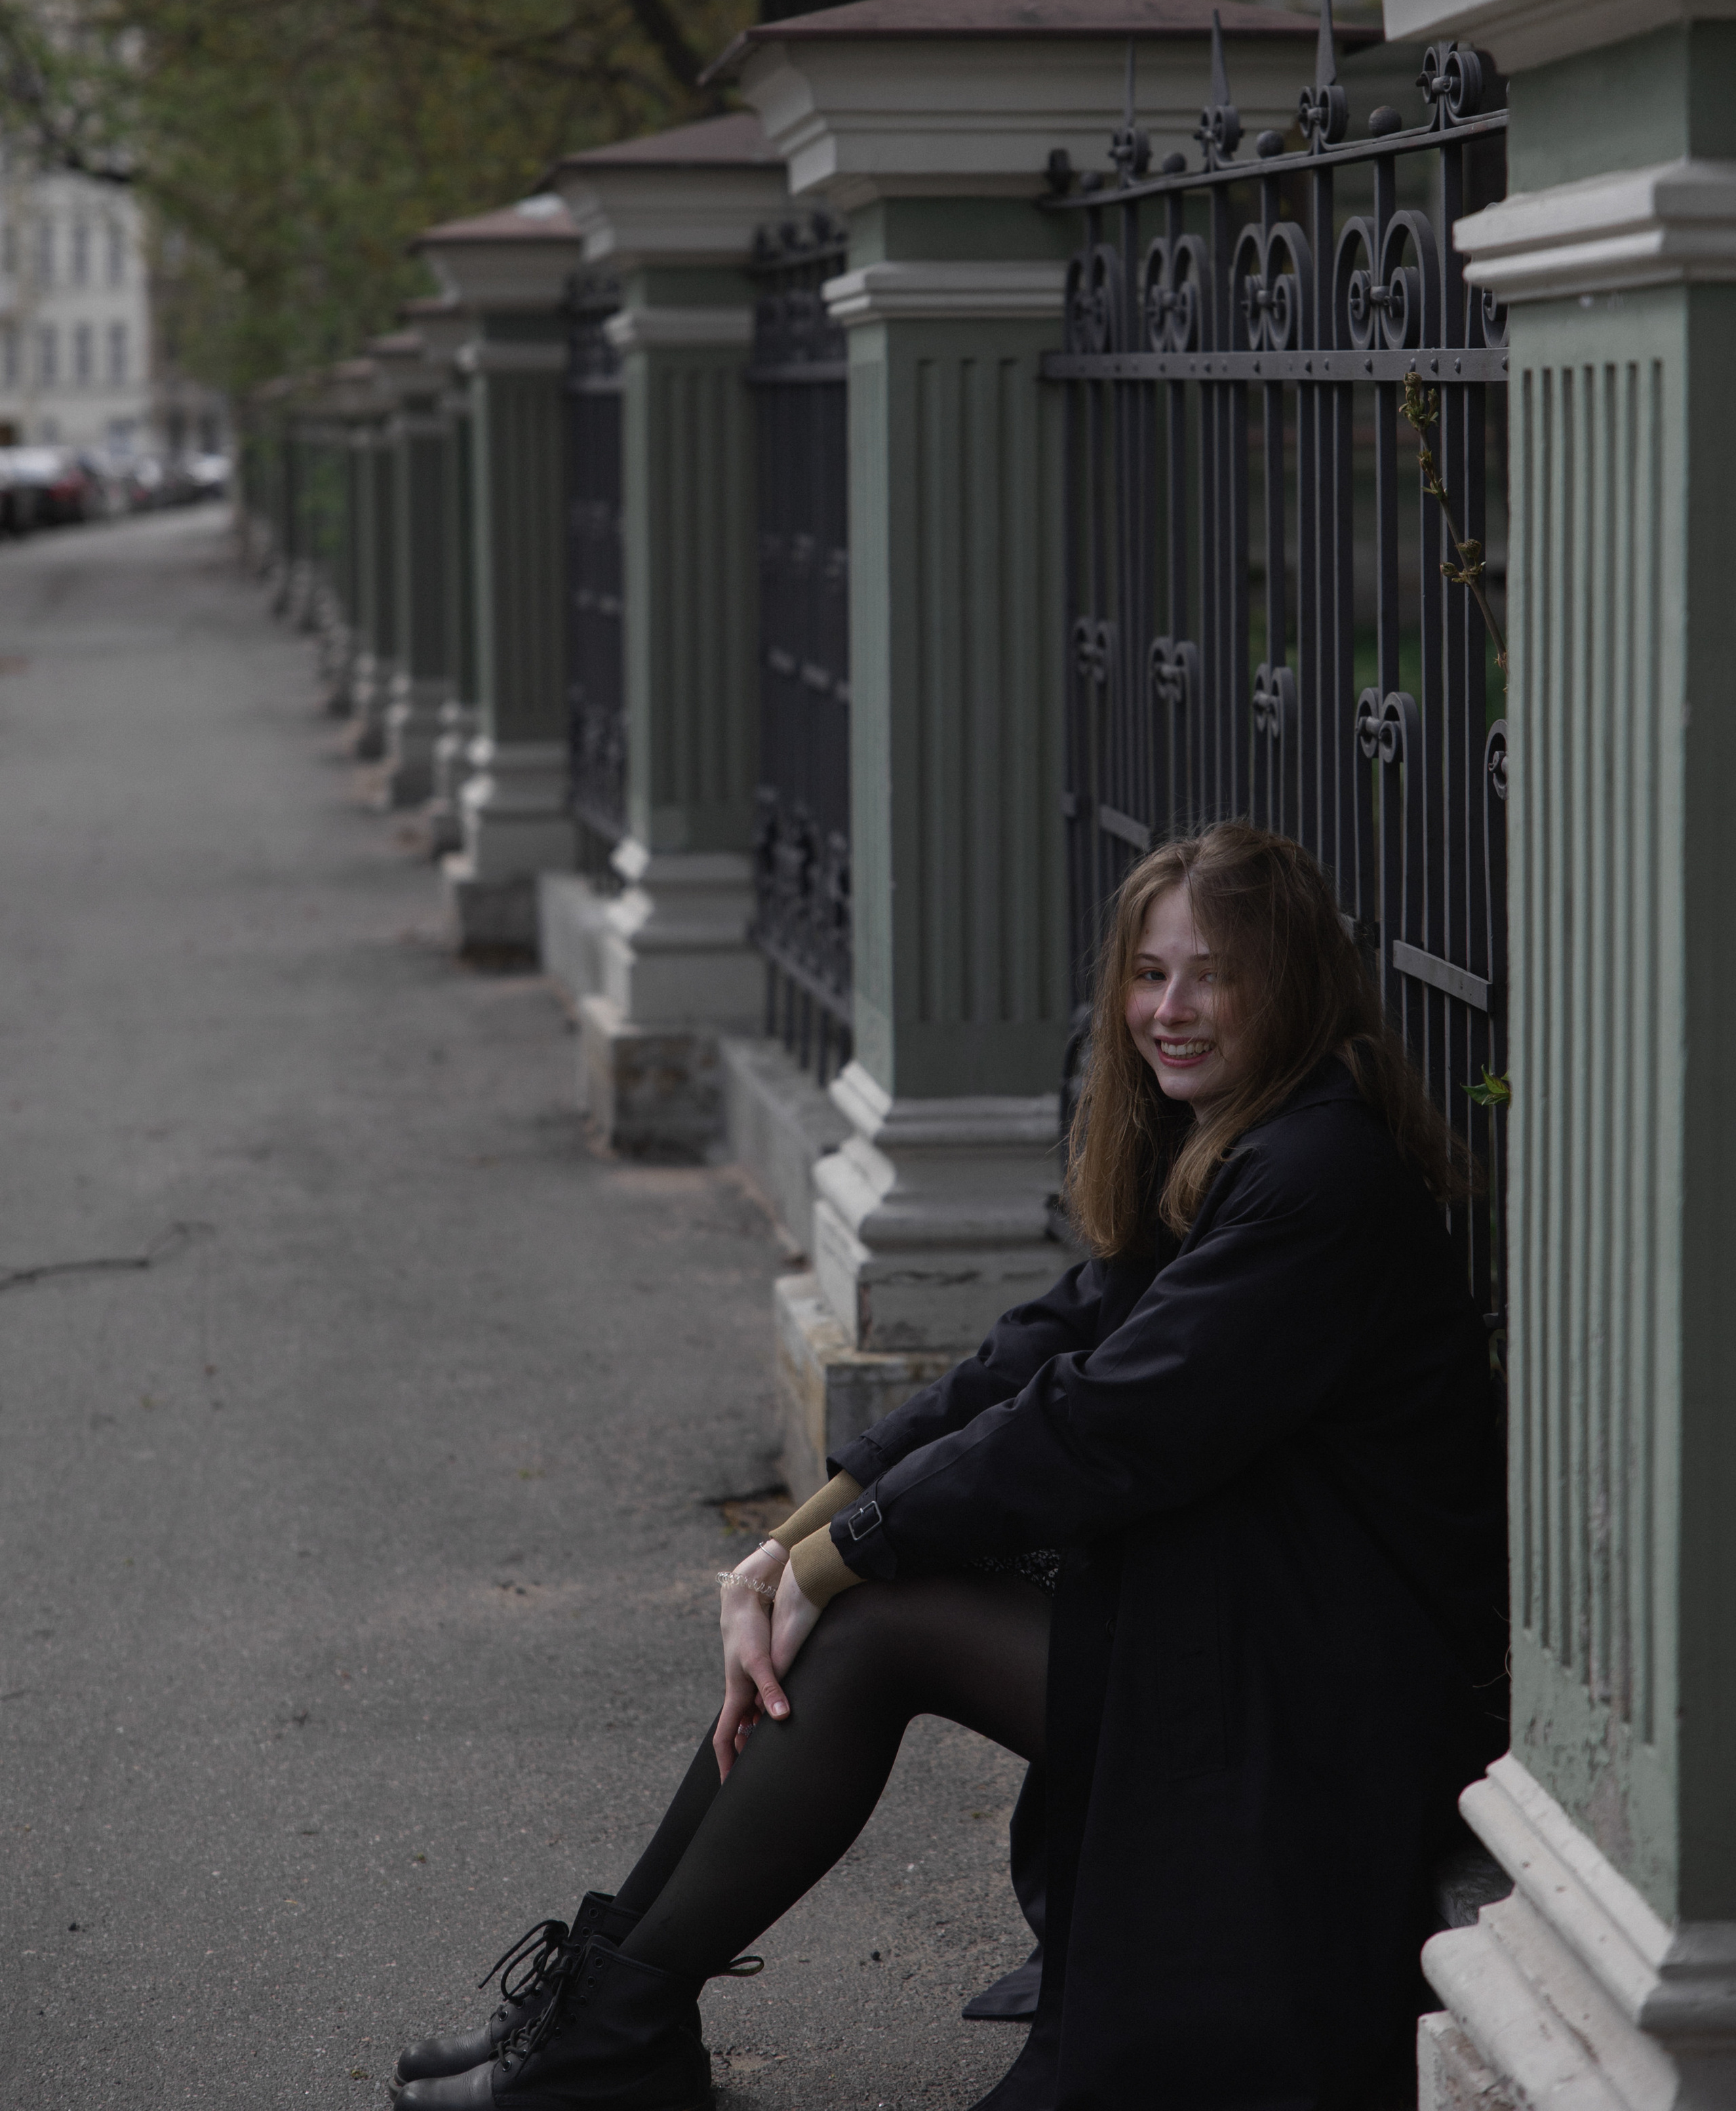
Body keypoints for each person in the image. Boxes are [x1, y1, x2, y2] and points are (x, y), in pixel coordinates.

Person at [391, 823, 1509, 2111]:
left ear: (1294, 982)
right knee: (840, 1612)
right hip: (1248, 1615)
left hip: (1331, 1684)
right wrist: (795, 1539)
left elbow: (1099, 1426)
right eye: (1150, 975)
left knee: (873, 1629)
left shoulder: (1317, 1175)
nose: (1172, 1010)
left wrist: (840, 1560)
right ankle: (602, 2009)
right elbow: (1032, 1355)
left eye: (1216, 974)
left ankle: (606, 2038)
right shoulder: (1238, 1144)